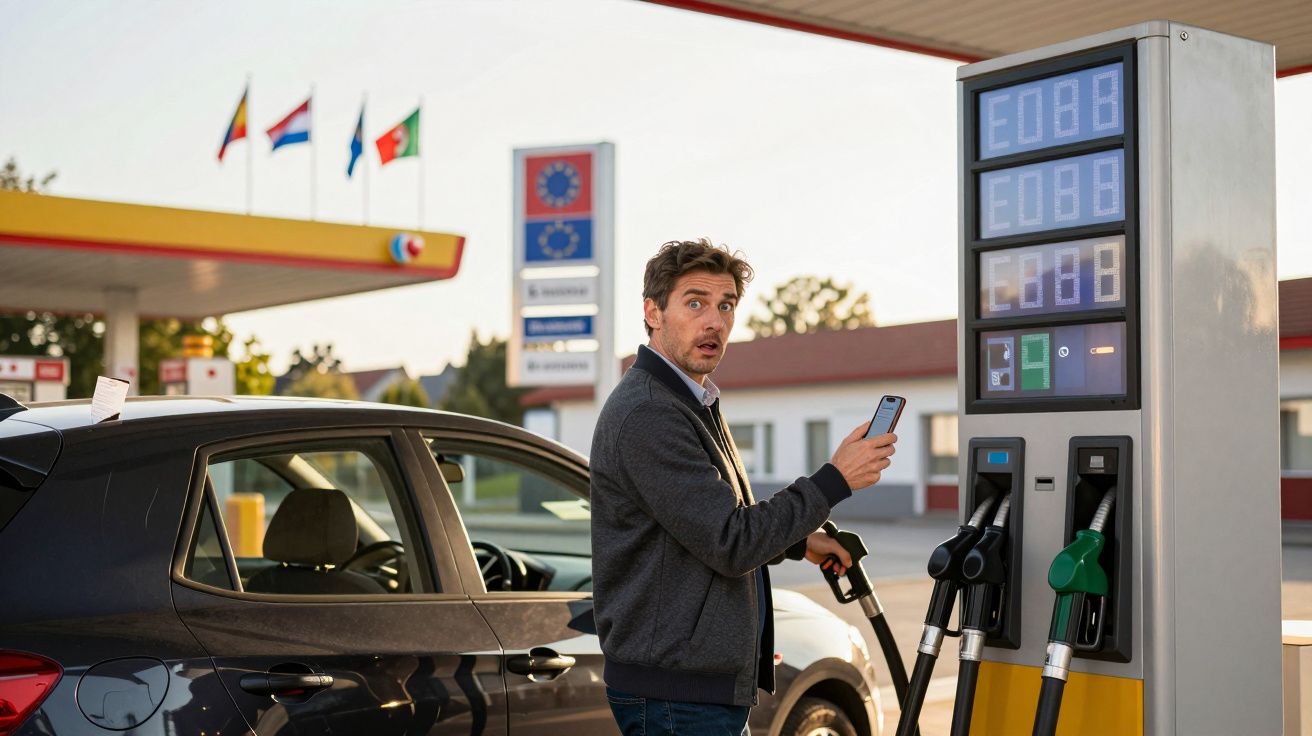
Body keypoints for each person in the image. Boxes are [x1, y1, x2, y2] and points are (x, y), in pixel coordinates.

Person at [590, 238, 898, 735]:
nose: (714, 321)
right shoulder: (650, 412)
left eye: (726, 305)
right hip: (676, 695)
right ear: (653, 312)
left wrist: (800, 542)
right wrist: (835, 479)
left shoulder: (691, 401)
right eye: (695, 303)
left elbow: (703, 525)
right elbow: (732, 542)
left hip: (694, 688)